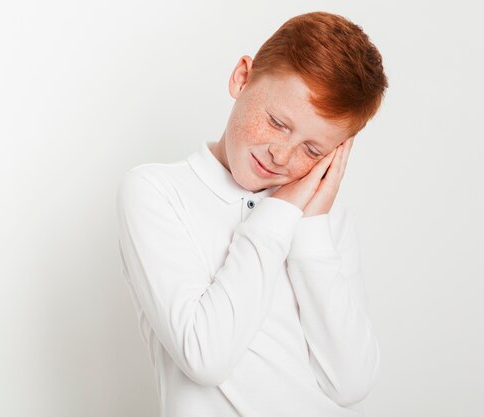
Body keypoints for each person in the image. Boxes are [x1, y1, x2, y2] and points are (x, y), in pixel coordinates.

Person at [116, 11, 388, 417]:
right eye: (277, 122)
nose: (283, 154)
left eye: (313, 151)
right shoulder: (158, 192)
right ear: (242, 78)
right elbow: (205, 356)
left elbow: (350, 383)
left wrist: (310, 229)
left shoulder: (323, 221)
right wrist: (279, 212)